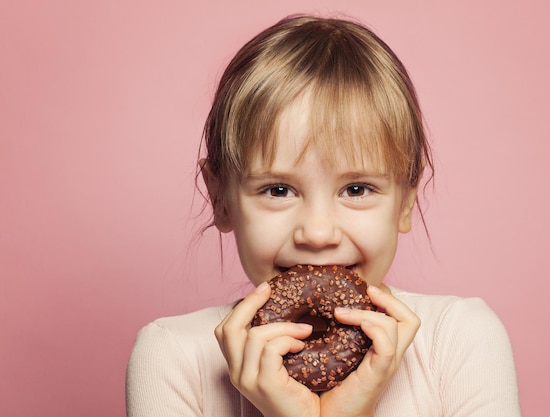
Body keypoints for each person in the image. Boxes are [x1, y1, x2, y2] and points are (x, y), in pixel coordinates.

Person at [126, 14, 521, 417]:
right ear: (220, 199)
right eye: (278, 190)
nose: (317, 233)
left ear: (404, 202)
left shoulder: (458, 339)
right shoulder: (173, 356)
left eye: (356, 189)